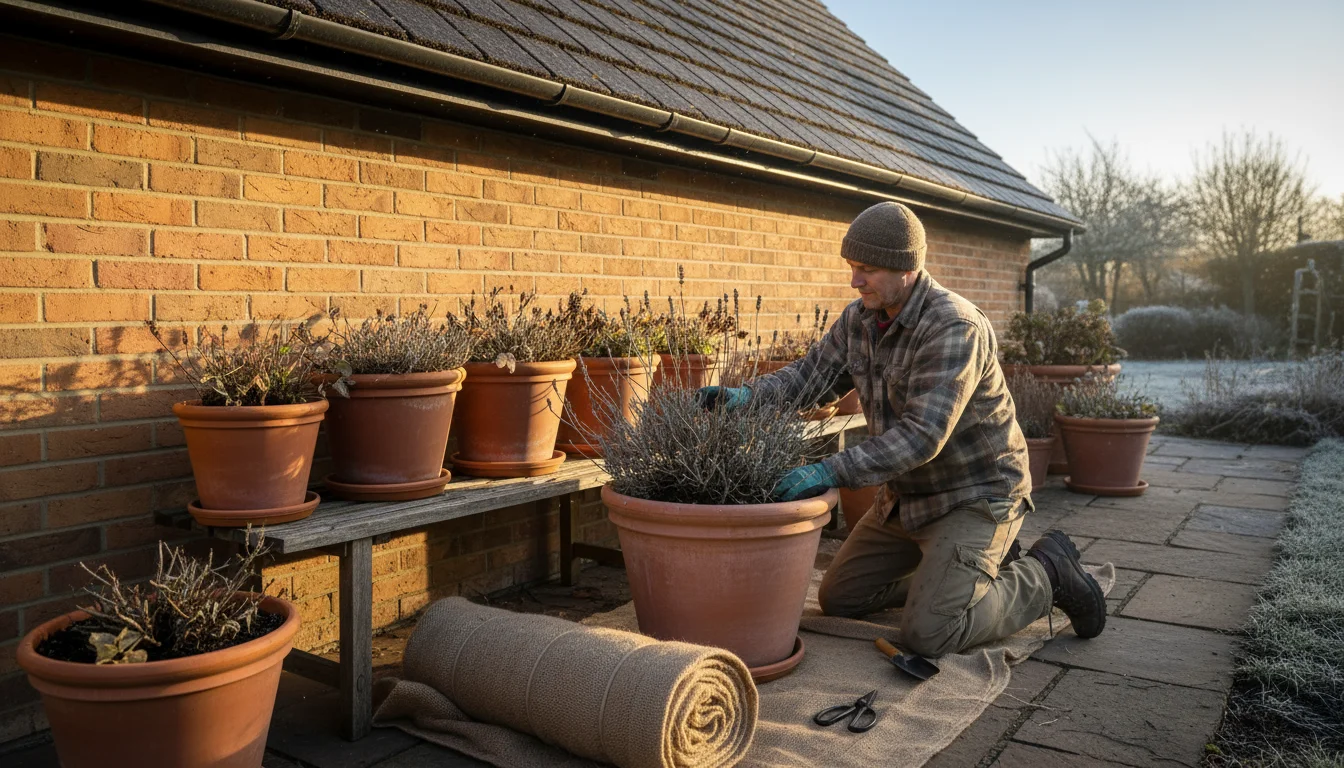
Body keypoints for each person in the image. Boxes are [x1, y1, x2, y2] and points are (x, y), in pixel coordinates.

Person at [695, 201, 1106, 658]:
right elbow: (808, 378)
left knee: (931, 634)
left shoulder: (953, 326)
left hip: (975, 495)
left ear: (906, 268)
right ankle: (957, 577)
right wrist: (746, 398)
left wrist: (828, 471)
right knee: (841, 599)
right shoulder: (860, 319)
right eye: (852, 267)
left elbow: (920, 437)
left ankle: (1047, 572)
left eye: (866, 269)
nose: (854, 280)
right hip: (907, 499)